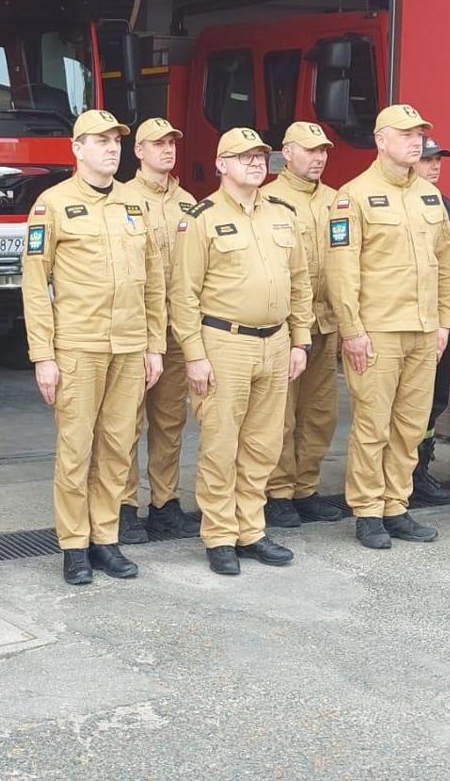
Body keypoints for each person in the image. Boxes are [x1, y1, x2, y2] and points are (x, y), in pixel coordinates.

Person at [22, 109, 166, 584]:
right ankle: (74, 546)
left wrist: (154, 345)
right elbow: (34, 284)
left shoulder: (133, 203)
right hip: (79, 346)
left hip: (129, 346)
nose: (111, 148)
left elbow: (152, 283)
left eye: (116, 140)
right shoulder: (52, 204)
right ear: (77, 148)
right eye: (100, 140)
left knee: (118, 447)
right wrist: (43, 355)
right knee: (76, 449)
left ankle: (106, 540)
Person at [170, 127, 311, 574]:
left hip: (276, 341)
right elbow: (183, 294)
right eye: (244, 156)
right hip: (224, 343)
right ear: (221, 164)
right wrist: (194, 354)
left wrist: (301, 340)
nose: (256, 162)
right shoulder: (202, 218)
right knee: (220, 444)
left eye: (261, 156)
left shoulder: (281, 214)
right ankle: (219, 535)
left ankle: (251, 529)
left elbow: (301, 282)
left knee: (263, 445)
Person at [325, 105, 450, 549]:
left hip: (424, 330)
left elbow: (447, 261)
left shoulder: (429, 194)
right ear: (381, 140)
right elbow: (342, 272)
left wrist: (445, 320)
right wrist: (352, 330)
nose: (416, 141)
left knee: (410, 424)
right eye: (406, 134)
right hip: (378, 330)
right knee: (373, 424)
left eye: (420, 133)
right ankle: (367, 511)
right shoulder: (353, 195)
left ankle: (396, 505)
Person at [261, 122, 354, 525]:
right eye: (310, 150)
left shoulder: (338, 200)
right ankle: (277, 490)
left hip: (326, 321)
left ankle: (306, 487)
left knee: (320, 412)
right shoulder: (266, 200)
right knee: (279, 412)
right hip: (284, 325)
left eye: (323, 151)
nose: (319, 158)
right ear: (287, 152)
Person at [115, 117, 201, 541]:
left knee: (170, 423)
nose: (167, 150)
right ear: (139, 152)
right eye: (158, 143)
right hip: (133, 328)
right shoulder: (120, 199)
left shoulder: (189, 202)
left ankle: (165, 504)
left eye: (172, 142)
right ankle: (123, 505)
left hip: (176, 329)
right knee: (125, 421)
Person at [411, 135, 450, 506]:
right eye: (428, 159)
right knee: (405, 404)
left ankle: (420, 470)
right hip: (403, 323)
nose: (435, 165)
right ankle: (398, 476)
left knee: (434, 399)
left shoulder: (445, 206)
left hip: (439, 324)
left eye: (438, 159)